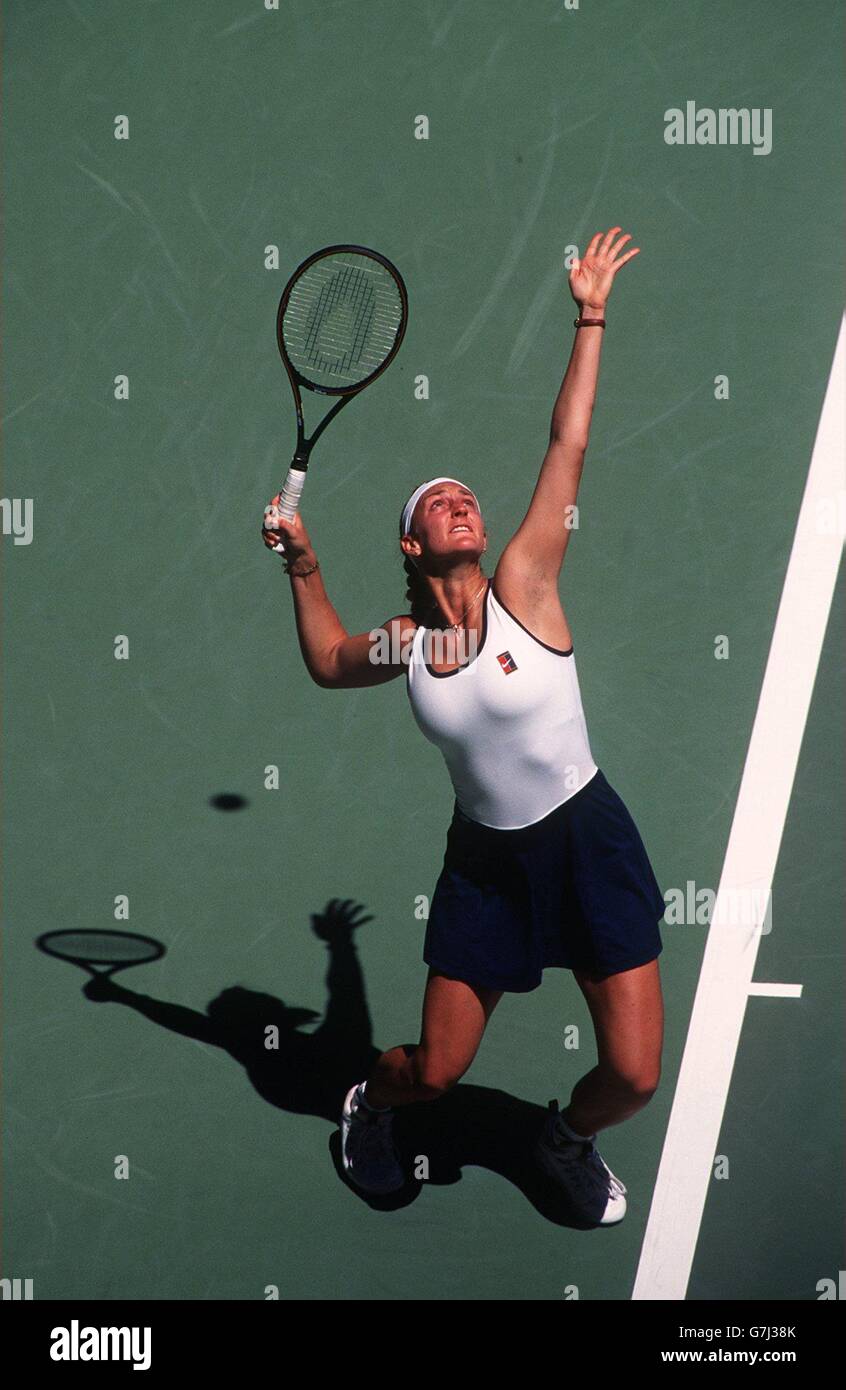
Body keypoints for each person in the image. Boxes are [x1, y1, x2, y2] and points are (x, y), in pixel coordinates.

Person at [261, 227, 665, 1226]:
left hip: (587, 838)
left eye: (467, 496)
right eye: (439, 501)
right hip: (486, 866)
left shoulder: (528, 579)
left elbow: (566, 439)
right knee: (433, 1071)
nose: (462, 501)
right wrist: (303, 563)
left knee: (634, 1075)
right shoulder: (403, 642)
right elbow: (324, 661)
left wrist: (591, 311)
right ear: (413, 541)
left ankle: (561, 1139)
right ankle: (369, 1109)